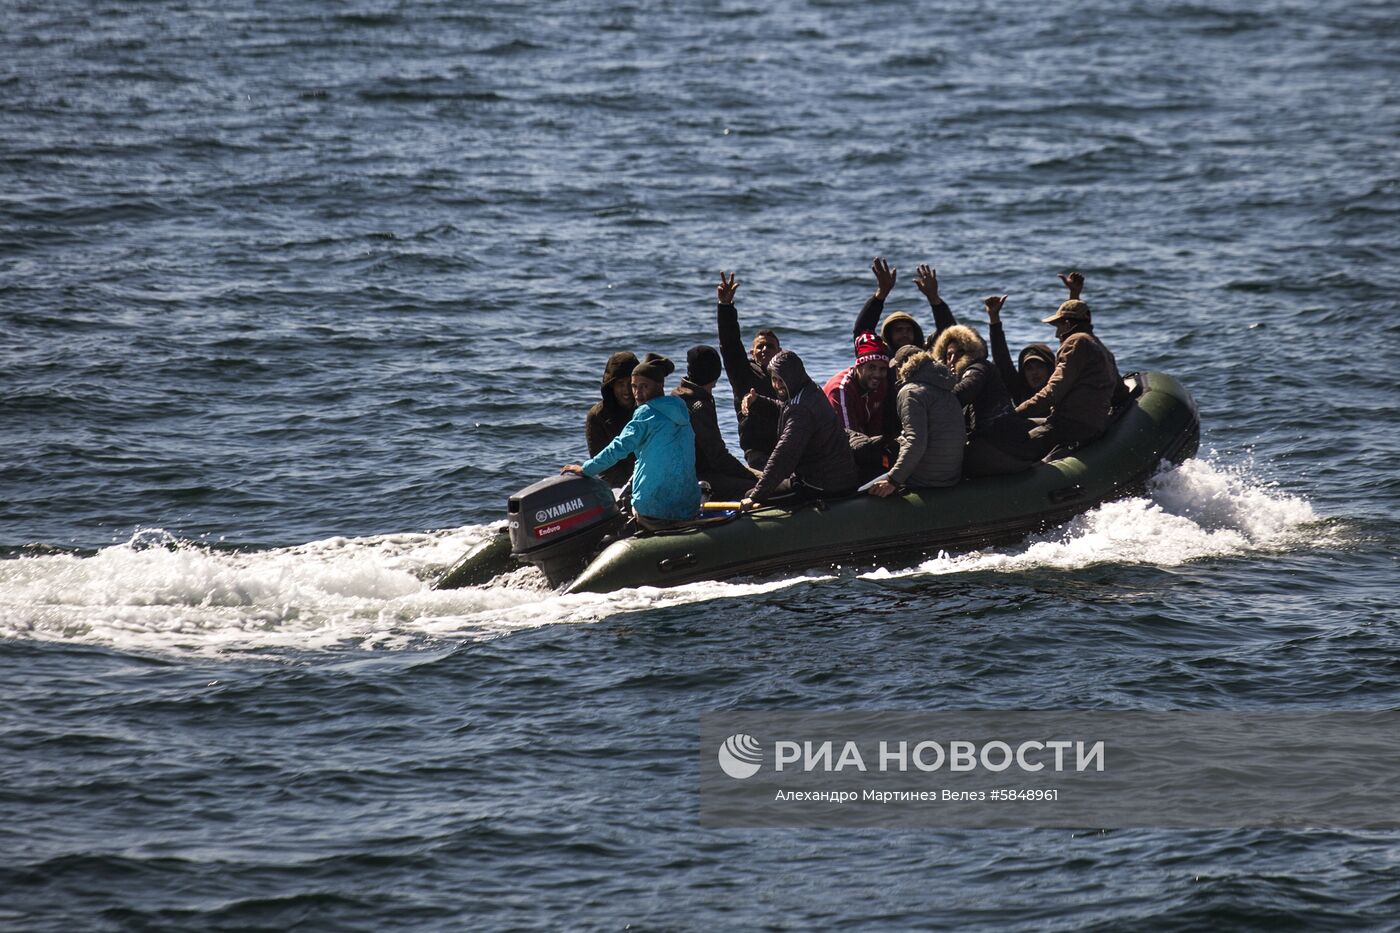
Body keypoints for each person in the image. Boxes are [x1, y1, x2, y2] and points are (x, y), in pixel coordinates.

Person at [563, 355, 700, 530]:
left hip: (654, 508)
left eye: (644, 386)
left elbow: (618, 447)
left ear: (660, 385)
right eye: (634, 386)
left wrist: (586, 469)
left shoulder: (645, 413)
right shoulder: (680, 408)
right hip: (688, 505)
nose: (636, 393)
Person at [1015, 273, 1122, 455]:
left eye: (1058, 326)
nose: (1056, 334)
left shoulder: (1075, 343)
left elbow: (1053, 391)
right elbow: (1119, 391)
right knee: (1025, 425)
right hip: (1091, 422)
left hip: (1071, 424)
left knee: (1015, 446)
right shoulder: (1099, 347)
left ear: (1066, 324)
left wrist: (1016, 412)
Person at [930, 303, 1042, 476]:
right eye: (948, 355)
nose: (952, 360)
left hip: (1002, 447)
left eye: (959, 353)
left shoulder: (979, 368)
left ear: (969, 352)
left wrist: (927, 399)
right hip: (1001, 444)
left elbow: (962, 393)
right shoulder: (955, 378)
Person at [740, 350, 858, 506]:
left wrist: (756, 496)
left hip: (822, 486)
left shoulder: (801, 409)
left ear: (792, 377)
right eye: (774, 380)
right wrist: (757, 402)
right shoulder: (809, 390)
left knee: (750, 493)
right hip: (838, 477)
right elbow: (784, 409)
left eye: (782, 380)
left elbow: (784, 455)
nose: (777, 385)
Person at [868, 346, 965, 496]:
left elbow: (916, 441)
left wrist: (893, 481)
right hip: (951, 476)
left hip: (926, 479)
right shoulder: (945, 387)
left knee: (878, 452)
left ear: (901, 369)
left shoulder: (910, 392)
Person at [714, 271, 783, 469]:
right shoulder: (744, 374)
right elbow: (730, 344)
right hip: (758, 452)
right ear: (752, 353)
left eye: (770, 346)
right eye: (760, 347)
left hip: (789, 446)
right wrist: (725, 307)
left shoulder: (788, 376)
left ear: (779, 351)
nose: (765, 350)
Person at [672, 345, 760, 500]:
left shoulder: (679, 394)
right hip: (699, 477)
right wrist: (751, 476)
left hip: (687, 473)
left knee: (762, 476)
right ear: (715, 374)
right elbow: (718, 457)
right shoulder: (698, 405)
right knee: (765, 485)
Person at [851, 258, 957, 353]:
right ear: (889, 334)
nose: (905, 333)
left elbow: (949, 332)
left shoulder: (925, 354)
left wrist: (934, 298)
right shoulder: (879, 357)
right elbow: (862, 331)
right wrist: (881, 294)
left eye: (909, 330)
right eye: (898, 330)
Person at [986, 289, 1058, 405]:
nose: (1034, 373)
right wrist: (994, 317)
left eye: (1039, 367)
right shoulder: (1019, 390)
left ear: (1050, 369)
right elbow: (1002, 359)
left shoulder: (1060, 389)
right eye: (1029, 368)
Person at [584, 351, 639, 487]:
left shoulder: (647, 409)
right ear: (611, 386)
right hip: (620, 488)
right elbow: (604, 468)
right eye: (620, 384)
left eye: (630, 384)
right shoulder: (597, 416)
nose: (626, 390)